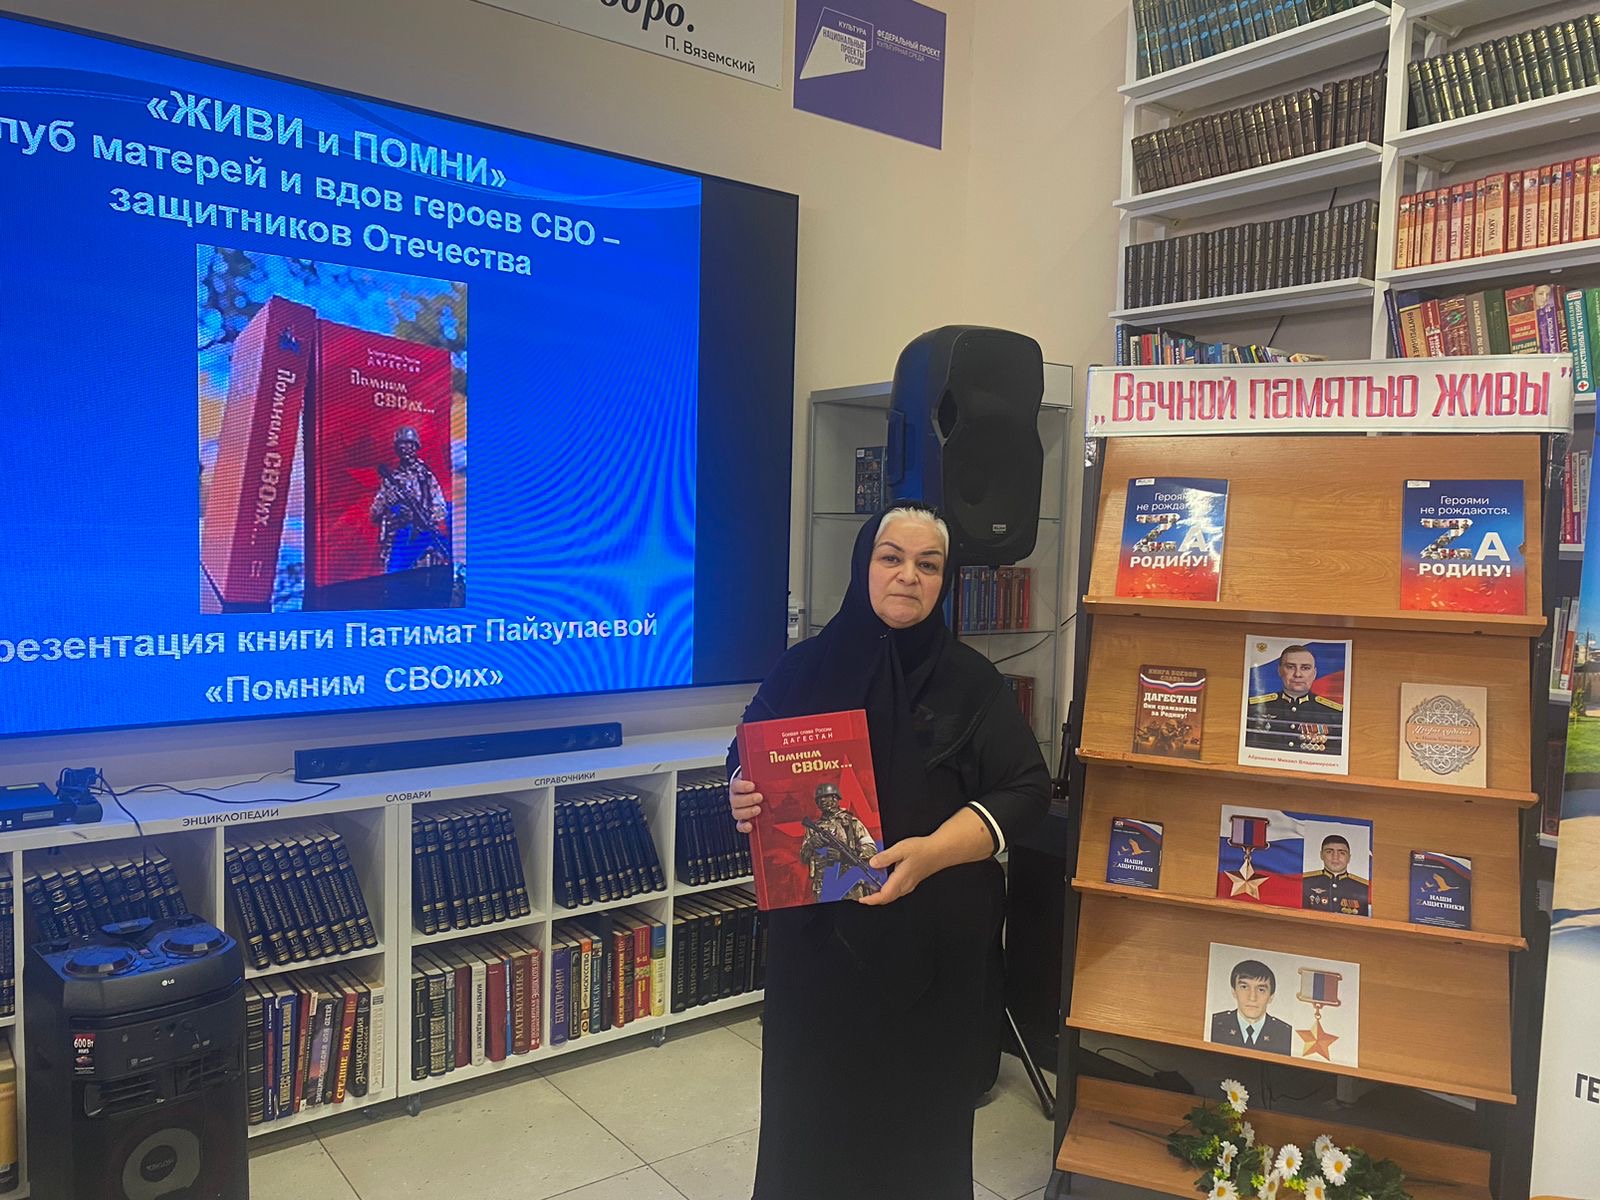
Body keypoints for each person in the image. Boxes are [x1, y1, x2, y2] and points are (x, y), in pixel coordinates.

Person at [727, 503, 1050, 1200]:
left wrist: (932, 852)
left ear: (945, 580)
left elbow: (1026, 788)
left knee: (917, 1135)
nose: (908, 575)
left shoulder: (972, 681)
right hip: (818, 946)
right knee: (810, 1123)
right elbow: (744, 752)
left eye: (928, 565)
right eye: (891, 557)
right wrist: (740, 791)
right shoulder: (802, 669)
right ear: (862, 566)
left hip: (931, 950)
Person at [369, 426, 449, 574]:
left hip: (422, 542)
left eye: (409, 444)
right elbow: (374, 514)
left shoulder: (426, 477)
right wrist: (388, 504)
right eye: (401, 444)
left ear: (415, 447)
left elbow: (441, 508)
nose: (405, 448)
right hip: (398, 542)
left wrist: (426, 518)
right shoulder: (390, 481)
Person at [1245, 644, 1344, 754]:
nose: (1297, 674)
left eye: (1305, 668)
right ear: (1280, 670)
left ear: (1314, 674)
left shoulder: (1334, 713)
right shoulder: (1253, 708)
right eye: (1290, 667)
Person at [799, 782, 882, 901]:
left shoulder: (851, 822)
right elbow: (803, 858)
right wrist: (810, 844)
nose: (822, 800)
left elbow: (871, 848)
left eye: (825, 797)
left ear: (835, 798)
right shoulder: (813, 828)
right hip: (823, 884)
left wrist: (843, 856)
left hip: (849, 882)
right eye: (819, 799)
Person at [1208, 959, 1291, 1055]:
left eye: (1261, 990)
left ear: (1271, 997)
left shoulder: (1285, 1033)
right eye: (1244, 987)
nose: (1252, 998)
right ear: (1234, 991)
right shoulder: (1215, 1024)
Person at [1302, 833, 1370, 916]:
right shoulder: (1305, 883)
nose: (1335, 857)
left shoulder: (1364, 888)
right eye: (1329, 852)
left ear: (1349, 857)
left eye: (1342, 853)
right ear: (1321, 855)